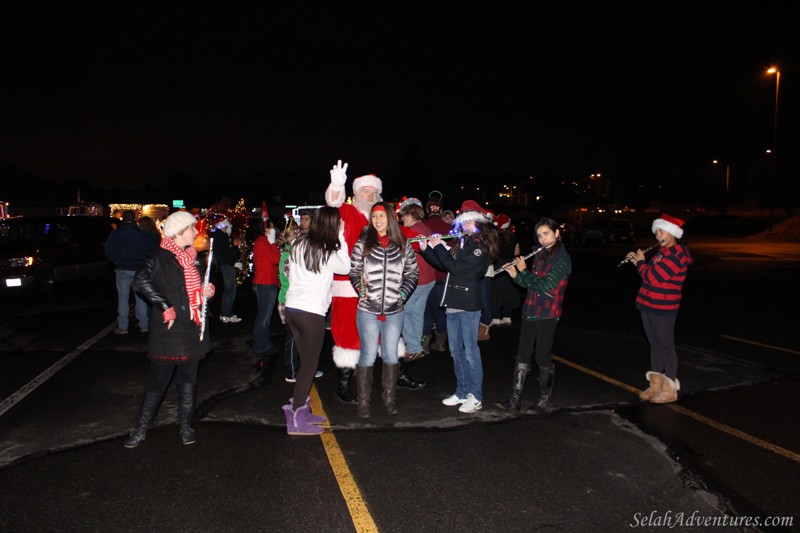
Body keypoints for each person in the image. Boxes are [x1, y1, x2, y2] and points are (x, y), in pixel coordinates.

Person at [125, 211, 215, 448]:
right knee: (158, 382)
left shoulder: (192, 257)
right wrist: (164, 306)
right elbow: (140, 281)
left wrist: (207, 292)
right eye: (192, 228)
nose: (196, 232)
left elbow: (194, 290)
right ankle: (141, 428)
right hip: (169, 330)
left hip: (192, 328)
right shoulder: (157, 255)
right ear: (179, 232)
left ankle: (185, 426)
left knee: (188, 380)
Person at [419, 200, 499, 413]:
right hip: (453, 303)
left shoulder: (479, 248)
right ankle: (462, 391)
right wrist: (428, 249)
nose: (467, 224)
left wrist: (440, 248)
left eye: (472, 221)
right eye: (465, 221)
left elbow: (455, 267)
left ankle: (476, 396)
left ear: (480, 223)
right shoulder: (462, 244)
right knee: (455, 351)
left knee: (470, 352)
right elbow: (443, 265)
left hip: (469, 305)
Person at [283, 206, 351, 435]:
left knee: (306, 363)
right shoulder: (326, 248)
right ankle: (295, 419)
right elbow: (346, 267)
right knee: (309, 366)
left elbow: (290, 273)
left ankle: (302, 410)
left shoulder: (299, 242)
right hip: (311, 312)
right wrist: (341, 236)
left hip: (292, 308)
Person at [350, 202, 419, 418]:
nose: (377, 220)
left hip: (394, 310)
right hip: (368, 310)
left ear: (390, 217)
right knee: (368, 356)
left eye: (381, 215)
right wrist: (361, 289)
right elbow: (354, 271)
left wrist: (402, 294)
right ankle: (363, 403)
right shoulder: (363, 242)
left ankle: (389, 400)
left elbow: (413, 274)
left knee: (391, 355)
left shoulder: (403, 244)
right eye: (374, 216)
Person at [495, 218, 571, 413]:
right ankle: (515, 399)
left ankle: (544, 399)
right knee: (522, 353)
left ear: (557, 234)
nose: (543, 239)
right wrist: (516, 276)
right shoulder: (539, 255)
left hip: (548, 312)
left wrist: (522, 273)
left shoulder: (562, 259)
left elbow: (546, 285)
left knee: (542, 354)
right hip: (531, 309)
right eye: (539, 235)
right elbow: (531, 284)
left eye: (546, 234)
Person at [324, 160, 382, 404]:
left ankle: (364, 382)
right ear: (355, 194)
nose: (369, 195)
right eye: (364, 191)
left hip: (377, 287)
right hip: (347, 287)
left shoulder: (381, 218)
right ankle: (343, 385)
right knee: (347, 335)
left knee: (372, 335)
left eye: (373, 192)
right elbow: (333, 202)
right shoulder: (346, 213)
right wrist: (337, 184)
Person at [625, 213, 693, 404]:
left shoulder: (678, 255)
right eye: (656, 232)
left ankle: (670, 388)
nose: (657, 236)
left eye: (661, 231)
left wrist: (640, 262)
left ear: (672, 233)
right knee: (654, 344)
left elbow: (654, 277)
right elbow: (651, 274)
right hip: (648, 303)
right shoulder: (663, 252)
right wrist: (640, 263)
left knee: (666, 346)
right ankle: (655, 385)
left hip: (664, 306)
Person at [278, 219, 325, 383]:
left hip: (293, 300)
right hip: (287, 300)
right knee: (292, 339)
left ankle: (306, 368)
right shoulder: (288, 256)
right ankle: (291, 371)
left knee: (302, 338)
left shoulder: (293, 253)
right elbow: (292, 280)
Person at [105, 209, 156, 335]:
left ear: (123, 219)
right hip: (138, 268)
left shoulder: (116, 234)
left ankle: (123, 326)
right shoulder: (142, 234)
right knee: (140, 297)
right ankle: (143, 324)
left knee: (123, 297)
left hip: (122, 268)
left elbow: (108, 251)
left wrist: (116, 260)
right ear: (134, 219)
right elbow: (150, 250)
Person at [398, 197, 436, 363]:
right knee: (416, 313)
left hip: (417, 280)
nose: (402, 218)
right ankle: (417, 348)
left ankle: (413, 348)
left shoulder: (413, 231)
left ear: (411, 214)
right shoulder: (425, 227)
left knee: (402, 312)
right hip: (428, 278)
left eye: (403, 215)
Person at [423, 196, 454, 353]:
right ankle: (441, 343)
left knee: (426, 312)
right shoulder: (449, 229)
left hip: (426, 276)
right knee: (441, 310)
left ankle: (424, 343)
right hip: (443, 275)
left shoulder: (423, 226)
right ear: (440, 210)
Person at [250, 219, 281, 367]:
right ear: (265, 229)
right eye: (271, 228)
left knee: (265, 317)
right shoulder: (263, 243)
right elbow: (276, 258)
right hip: (265, 283)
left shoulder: (262, 242)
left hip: (266, 282)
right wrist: (274, 243)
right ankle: (260, 346)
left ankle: (265, 343)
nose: (273, 231)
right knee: (263, 316)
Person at [210, 216, 242, 323]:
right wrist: (234, 263)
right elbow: (224, 254)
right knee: (230, 290)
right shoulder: (222, 236)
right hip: (227, 265)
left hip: (227, 265)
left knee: (230, 290)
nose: (229, 227)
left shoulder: (221, 236)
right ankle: (225, 314)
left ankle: (226, 313)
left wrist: (234, 246)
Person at [490, 214, 520, 326]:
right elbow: (517, 253)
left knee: (496, 292)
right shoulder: (513, 237)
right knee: (508, 291)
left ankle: (496, 317)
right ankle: (507, 316)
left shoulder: (495, 237)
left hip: (498, 265)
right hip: (510, 265)